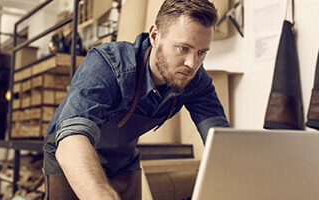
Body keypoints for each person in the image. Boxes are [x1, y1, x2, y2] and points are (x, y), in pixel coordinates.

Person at [43, 0, 230, 199]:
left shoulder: (194, 78)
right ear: (155, 36)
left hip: (122, 158)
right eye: (183, 48)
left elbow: (221, 143)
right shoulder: (107, 64)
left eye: (201, 53)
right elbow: (72, 141)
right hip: (70, 154)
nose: (192, 64)